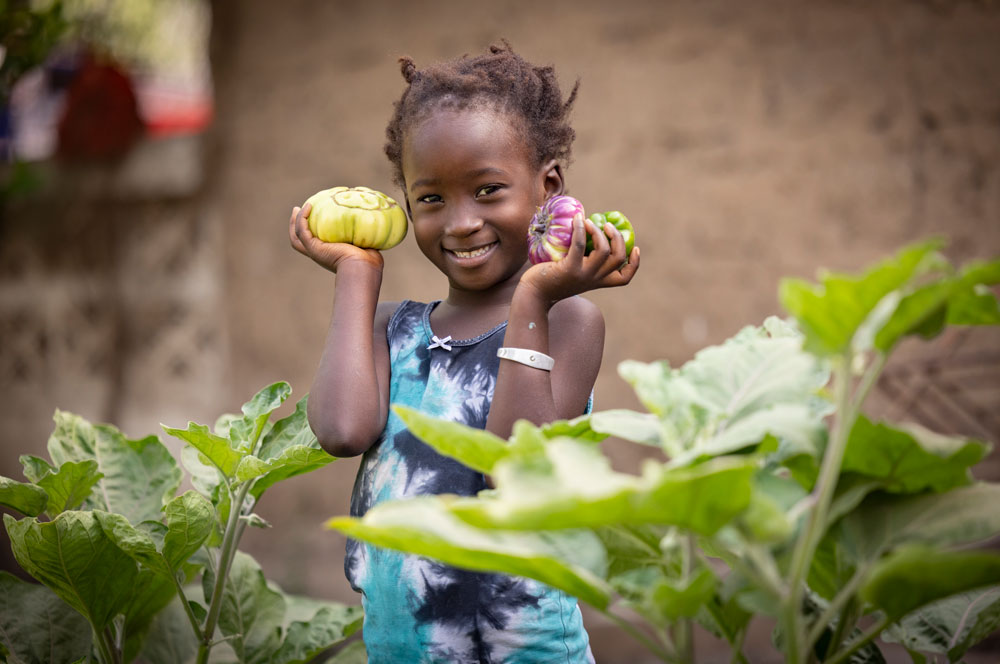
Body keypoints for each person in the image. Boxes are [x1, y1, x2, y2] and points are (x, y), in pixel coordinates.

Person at [289, 41, 640, 664]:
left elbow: (515, 467)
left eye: (487, 190)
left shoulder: (568, 320)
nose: (459, 223)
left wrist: (533, 297)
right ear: (404, 204)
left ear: (547, 185)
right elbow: (341, 432)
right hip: (398, 648)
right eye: (431, 199)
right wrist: (355, 274)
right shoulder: (390, 326)